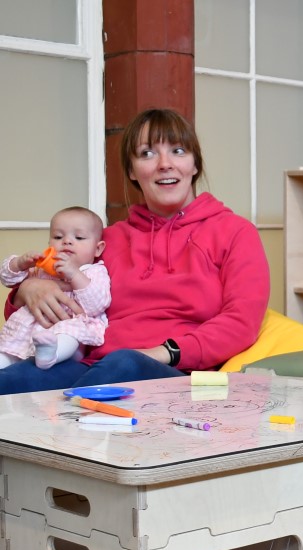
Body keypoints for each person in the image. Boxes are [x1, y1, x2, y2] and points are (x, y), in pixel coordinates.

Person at [0, 108, 269, 394]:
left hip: (176, 371)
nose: (165, 164)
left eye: (178, 151)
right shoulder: (108, 240)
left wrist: (163, 352)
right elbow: (55, 298)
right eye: (147, 154)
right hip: (91, 363)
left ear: (195, 165)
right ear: (131, 170)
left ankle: (66, 422)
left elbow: (241, 323)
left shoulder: (236, 232)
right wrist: (27, 288)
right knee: (13, 383)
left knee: (123, 364)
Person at [0, 207, 109, 370]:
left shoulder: (94, 271)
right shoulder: (41, 269)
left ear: (98, 248)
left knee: (68, 334)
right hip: (29, 329)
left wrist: (74, 274)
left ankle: (50, 355)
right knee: (8, 350)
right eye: (58, 236)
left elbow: (97, 304)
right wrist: (19, 264)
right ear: (49, 244)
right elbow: (7, 278)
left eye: (79, 237)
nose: (67, 241)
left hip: (68, 329)